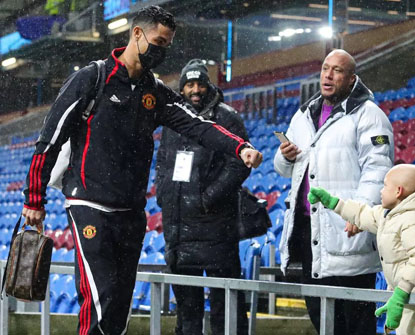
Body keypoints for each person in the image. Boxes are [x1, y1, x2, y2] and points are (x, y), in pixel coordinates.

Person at [21, 6, 262, 335]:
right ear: (136, 34)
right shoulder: (92, 78)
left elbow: (198, 126)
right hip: (89, 205)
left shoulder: (155, 92)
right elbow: (49, 140)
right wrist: (33, 199)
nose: (161, 50)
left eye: (167, 45)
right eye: (158, 41)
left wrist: (240, 147)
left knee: (119, 306)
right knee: (99, 297)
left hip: (131, 212)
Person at [273, 49, 394, 335]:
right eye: (325, 68)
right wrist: (286, 156)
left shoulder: (369, 115)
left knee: (355, 320)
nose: (328, 75)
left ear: (351, 78)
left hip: (347, 229)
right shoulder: (303, 114)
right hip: (308, 229)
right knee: (321, 314)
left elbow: (377, 171)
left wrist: (360, 214)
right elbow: (282, 168)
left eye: (337, 70)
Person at [155, 59, 249, 334]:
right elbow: (163, 162)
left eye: (199, 84)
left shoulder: (227, 117)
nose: (195, 89)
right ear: (182, 88)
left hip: (215, 225)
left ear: (208, 86)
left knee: (225, 304)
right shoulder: (173, 120)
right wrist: (164, 193)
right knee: (186, 307)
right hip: (179, 226)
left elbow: (239, 163)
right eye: (189, 84)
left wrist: (207, 198)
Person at [308, 164, 415, 335]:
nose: (381, 191)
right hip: (407, 300)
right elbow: (361, 214)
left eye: (385, 186)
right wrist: (333, 202)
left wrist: (401, 293)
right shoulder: (389, 215)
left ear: (398, 191)